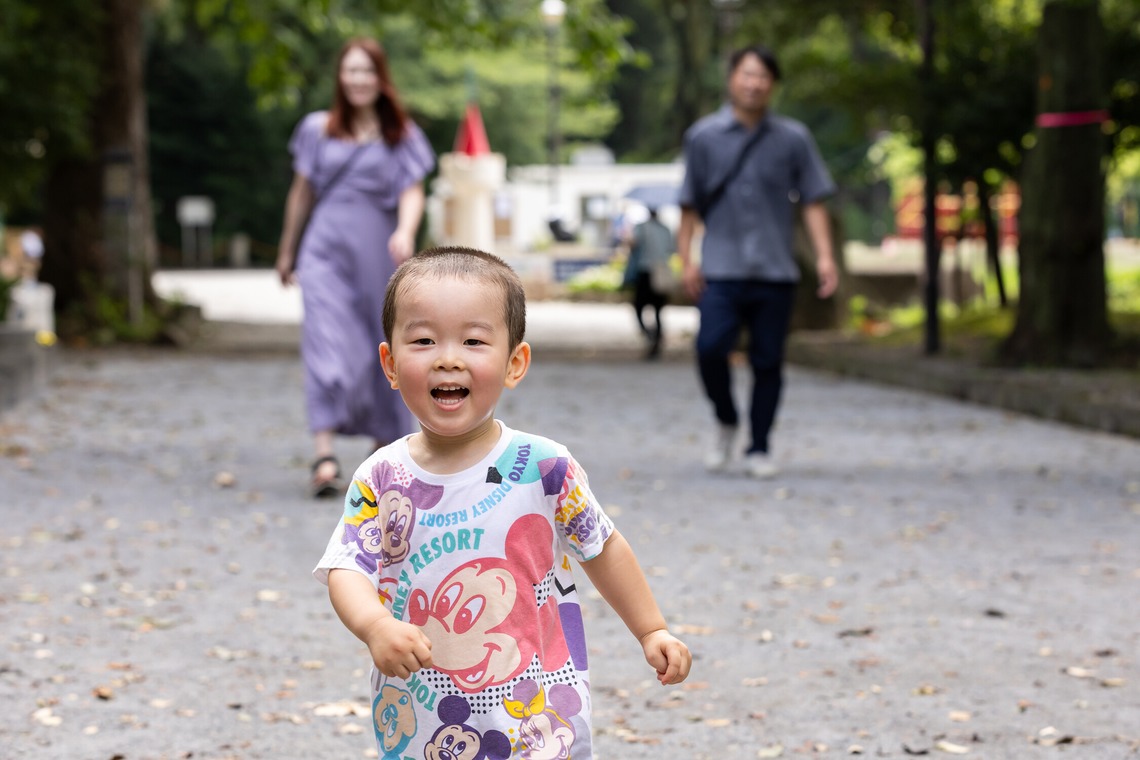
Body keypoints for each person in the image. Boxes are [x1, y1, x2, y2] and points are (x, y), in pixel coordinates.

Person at [313, 246, 692, 759]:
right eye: (423, 340)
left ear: (515, 363)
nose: (448, 357)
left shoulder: (544, 467)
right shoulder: (381, 478)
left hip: (536, 722)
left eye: (473, 340)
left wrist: (651, 629)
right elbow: (347, 567)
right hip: (424, 725)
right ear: (390, 364)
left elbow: (602, 547)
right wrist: (375, 625)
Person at [275, 37, 435, 498]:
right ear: (339, 77)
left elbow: (412, 189)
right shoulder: (317, 128)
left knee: (380, 348)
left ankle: (382, 455)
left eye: (367, 70)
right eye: (351, 70)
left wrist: (405, 230)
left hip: (378, 252)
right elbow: (301, 192)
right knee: (327, 346)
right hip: (323, 250)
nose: (358, 79)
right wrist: (287, 250)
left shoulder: (401, 134)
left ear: (381, 78)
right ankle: (323, 455)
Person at [676, 43, 838, 480]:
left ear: (773, 84)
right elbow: (688, 204)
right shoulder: (703, 137)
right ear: (732, 79)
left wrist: (825, 257)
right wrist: (686, 259)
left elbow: (814, 200)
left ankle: (759, 446)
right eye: (747, 74)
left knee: (769, 361)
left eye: (763, 76)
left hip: (775, 270)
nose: (754, 83)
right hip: (720, 269)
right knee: (710, 349)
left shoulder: (793, 138)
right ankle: (726, 418)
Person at [622, 206, 675, 359]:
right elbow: (671, 249)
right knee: (658, 311)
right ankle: (656, 339)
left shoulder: (641, 227)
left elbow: (632, 243)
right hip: (660, 272)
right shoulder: (665, 229)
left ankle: (650, 334)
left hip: (645, 272)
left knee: (639, 307)